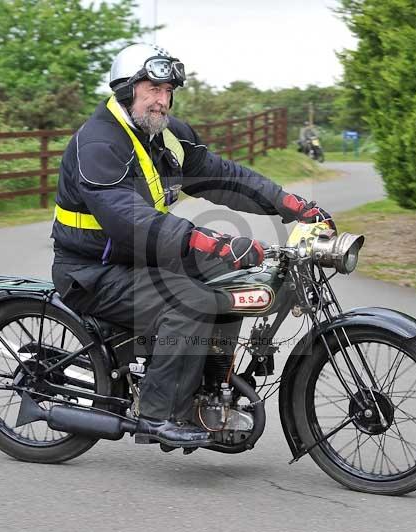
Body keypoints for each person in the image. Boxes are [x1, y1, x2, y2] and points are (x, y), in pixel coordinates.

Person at [51, 44, 334, 447]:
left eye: (168, 91)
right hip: (92, 270)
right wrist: (208, 240)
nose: (162, 100)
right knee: (189, 302)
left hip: (142, 257)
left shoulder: (167, 135)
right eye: (152, 89)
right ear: (126, 89)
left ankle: (210, 390)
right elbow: (128, 220)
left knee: (238, 280)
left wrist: (291, 205)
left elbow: (223, 176)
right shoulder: (98, 145)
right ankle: (159, 414)